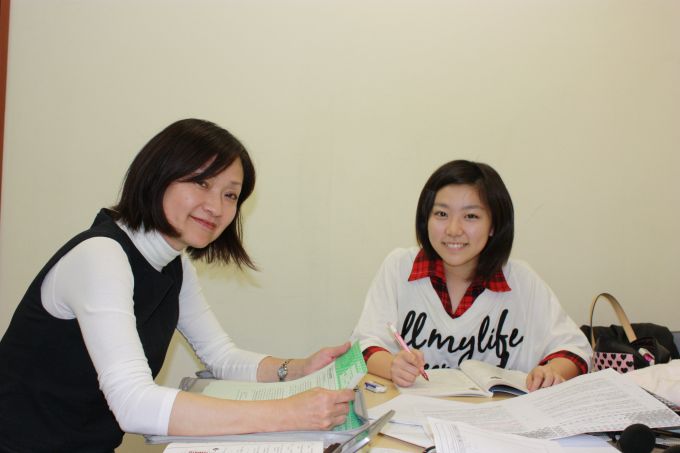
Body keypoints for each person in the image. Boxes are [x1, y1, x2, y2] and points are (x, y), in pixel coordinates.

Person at [0, 119, 355, 453]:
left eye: (230, 195)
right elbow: (134, 403)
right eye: (202, 183)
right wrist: (287, 413)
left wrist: (298, 369)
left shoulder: (174, 264)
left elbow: (221, 356)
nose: (216, 207)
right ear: (158, 176)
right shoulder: (100, 256)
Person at [350, 160, 592, 391]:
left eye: (471, 216)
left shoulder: (521, 281)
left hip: (498, 416)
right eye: (441, 214)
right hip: (416, 416)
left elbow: (574, 349)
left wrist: (550, 372)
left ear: (494, 225)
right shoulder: (399, 268)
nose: (453, 230)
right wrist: (392, 366)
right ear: (426, 219)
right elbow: (365, 344)